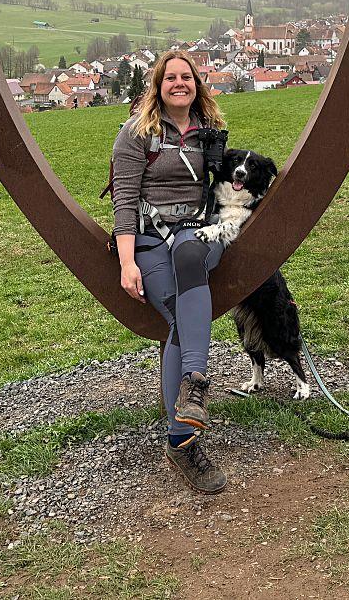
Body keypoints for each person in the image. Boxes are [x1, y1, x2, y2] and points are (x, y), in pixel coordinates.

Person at [111, 49, 229, 493]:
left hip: (198, 234)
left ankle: (189, 398)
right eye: (170, 78)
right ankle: (185, 430)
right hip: (149, 238)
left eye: (187, 77)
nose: (179, 84)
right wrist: (127, 262)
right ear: (157, 86)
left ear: (197, 84)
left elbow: (231, 187)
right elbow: (124, 202)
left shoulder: (211, 135)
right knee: (180, 320)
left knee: (188, 253)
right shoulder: (135, 134)